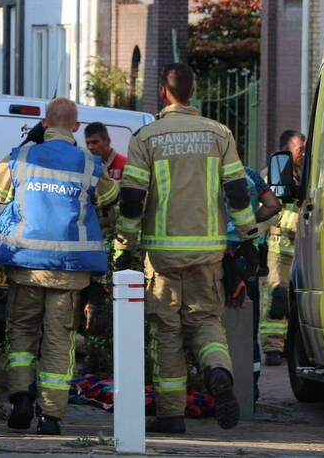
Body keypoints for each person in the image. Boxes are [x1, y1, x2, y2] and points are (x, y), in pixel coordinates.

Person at [114, 63, 259, 435]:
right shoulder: (218, 134)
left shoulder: (147, 138)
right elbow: (238, 192)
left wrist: (124, 246)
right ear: (192, 92)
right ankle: (217, 372)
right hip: (207, 255)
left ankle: (171, 414)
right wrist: (247, 237)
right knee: (207, 324)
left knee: (167, 331)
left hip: (161, 258)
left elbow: (132, 199)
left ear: (164, 91)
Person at [0, 97, 118, 435]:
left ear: (43, 123)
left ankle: (21, 398)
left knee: (22, 333)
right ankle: (51, 416)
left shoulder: (23, 157)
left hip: (26, 266)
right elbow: (111, 196)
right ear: (76, 126)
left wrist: (22, 149)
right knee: (59, 340)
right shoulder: (89, 163)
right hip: (69, 272)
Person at [224, 166, 281, 403]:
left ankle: (216, 382)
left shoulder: (201, 172)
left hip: (213, 250)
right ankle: (250, 392)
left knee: (208, 321)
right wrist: (249, 222)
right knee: (249, 320)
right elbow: (273, 205)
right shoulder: (251, 175)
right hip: (246, 252)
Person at [261, 129, 306, 366]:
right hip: (278, 251)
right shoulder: (272, 177)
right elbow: (268, 213)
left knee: (294, 302)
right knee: (276, 299)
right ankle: (272, 349)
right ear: (287, 151)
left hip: (299, 250)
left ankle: (289, 346)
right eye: (300, 149)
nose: (304, 153)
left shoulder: (304, 175)